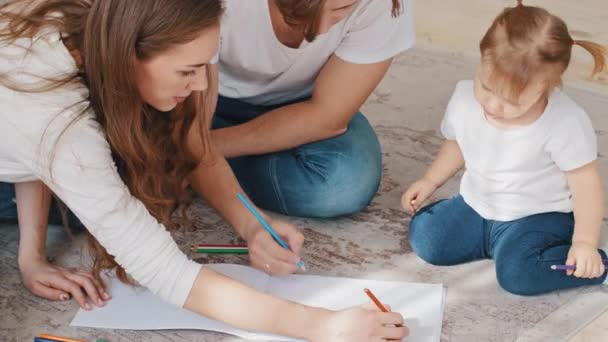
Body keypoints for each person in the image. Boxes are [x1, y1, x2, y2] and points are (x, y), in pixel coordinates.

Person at [0, 1, 407, 340]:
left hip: (30, 137)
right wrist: (324, 325)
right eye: (187, 71)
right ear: (131, 52)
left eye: (205, 66)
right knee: (99, 197)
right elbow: (164, 272)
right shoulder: (59, 124)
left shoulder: (94, 29)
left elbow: (38, 152)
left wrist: (31, 256)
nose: (199, 86)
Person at [402, 0, 608, 296]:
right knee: (426, 237)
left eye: (511, 101)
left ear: (549, 87)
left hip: (539, 215)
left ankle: (600, 265)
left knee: (517, 276)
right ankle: (503, 247)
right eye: (485, 86)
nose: (492, 105)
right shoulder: (464, 98)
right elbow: (458, 143)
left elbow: (586, 185)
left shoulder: (565, 122)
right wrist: (429, 180)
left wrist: (585, 243)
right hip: (478, 205)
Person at [210, 0, 415, 218]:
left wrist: (198, 150)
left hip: (304, 106)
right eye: (296, 12)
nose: (320, 31)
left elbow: (327, 116)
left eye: (340, 10)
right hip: (204, 94)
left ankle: (193, 168)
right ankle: (200, 166)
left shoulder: (382, 4)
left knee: (344, 185)